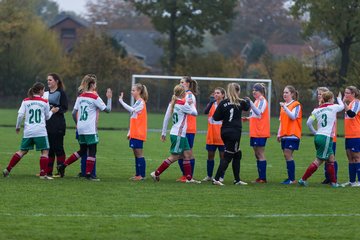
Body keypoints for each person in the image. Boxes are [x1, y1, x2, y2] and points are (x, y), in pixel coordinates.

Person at [57, 74, 112, 181]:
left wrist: (78, 124)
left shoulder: (80, 97)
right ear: (92, 85)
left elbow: (73, 113)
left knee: (82, 150)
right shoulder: (95, 97)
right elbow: (108, 110)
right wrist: (109, 98)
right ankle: (88, 174)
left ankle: (63, 166)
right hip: (90, 128)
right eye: (95, 83)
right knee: (92, 150)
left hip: (81, 127)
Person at [3, 82, 58, 179]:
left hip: (28, 131)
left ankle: (7, 169)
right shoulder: (44, 102)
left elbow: (20, 115)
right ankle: (43, 174)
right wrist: (52, 111)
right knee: (45, 151)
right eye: (43, 90)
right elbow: (47, 117)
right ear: (40, 90)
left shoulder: (25, 101)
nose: (44, 92)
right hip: (40, 131)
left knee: (22, 151)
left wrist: (18, 127)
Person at [150, 84, 200, 183]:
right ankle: (156, 173)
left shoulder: (172, 102)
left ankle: (189, 178)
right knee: (175, 156)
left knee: (187, 154)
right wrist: (191, 104)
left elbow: (166, 118)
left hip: (177, 133)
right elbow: (195, 113)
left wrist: (163, 132)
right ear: (183, 93)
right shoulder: (183, 104)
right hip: (178, 134)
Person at [298, 91, 344, 188]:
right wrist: (340, 98)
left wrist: (315, 132)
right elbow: (342, 106)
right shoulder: (333, 107)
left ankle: (334, 182)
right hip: (326, 137)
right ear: (331, 99)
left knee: (331, 159)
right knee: (319, 160)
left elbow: (308, 123)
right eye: (333, 99)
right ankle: (303, 179)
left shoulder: (316, 110)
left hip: (319, 136)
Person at [212, 83, 250, 186]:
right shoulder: (240, 102)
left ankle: (237, 180)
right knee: (228, 155)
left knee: (237, 154)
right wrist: (247, 100)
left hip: (224, 131)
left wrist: (225, 116)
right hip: (235, 132)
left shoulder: (223, 103)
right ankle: (216, 179)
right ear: (238, 91)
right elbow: (247, 107)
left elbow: (215, 117)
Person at [119, 83, 148, 181]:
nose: (132, 92)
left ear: (139, 91)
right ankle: (137, 174)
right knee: (136, 153)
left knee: (139, 153)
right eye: (131, 90)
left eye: (133, 90)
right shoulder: (137, 102)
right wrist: (129, 132)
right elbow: (133, 117)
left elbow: (132, 110)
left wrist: (121, 101)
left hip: (139, 132)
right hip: (134, 132)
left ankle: (142, 175)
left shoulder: (141, 102)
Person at [243, 83, 270, 183]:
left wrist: (250, 102)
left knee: (260, 153)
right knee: (256, 154)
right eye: (253, 90)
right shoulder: (257, 101)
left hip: (260, 131)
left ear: (261, 92)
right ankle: (260, 177)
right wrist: (248, 118)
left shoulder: (262, 100)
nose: (254, 92)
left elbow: (259, 112)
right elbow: (256, 116)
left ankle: (263, 178)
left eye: (256, 90)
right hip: (255, 131)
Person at [44, 73, 68, 177]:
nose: (48, 82)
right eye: (47, 80)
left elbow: (65, 107)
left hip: (58, 124)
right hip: (47, 124)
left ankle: (60, 171)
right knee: (49, 149)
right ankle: (48, 171)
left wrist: (57, 109)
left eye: (50, 80)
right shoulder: (45, 93)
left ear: (56, 81)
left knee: (58, 148)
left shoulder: (61, 93)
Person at [277, 85, 302, 185]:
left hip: (293, 134)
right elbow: (281, 121)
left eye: (287, 92)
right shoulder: (284, 106)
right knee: (286, 155)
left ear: (292, 94)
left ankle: (292, 179)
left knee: (288, 154)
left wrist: (284, 107)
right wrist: (279, 134)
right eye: (284, 92)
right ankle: (290, 178)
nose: (284, 94)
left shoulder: (296, 104)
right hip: (285, 135)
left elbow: (293, 116)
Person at [176, 76, 199, 182]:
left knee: (188, 153)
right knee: (181, 153)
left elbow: (193, 112)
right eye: (180, 82)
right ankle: (185, 175)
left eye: (183, 82)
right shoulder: (181, 95)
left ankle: (189, 176)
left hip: (189, 128)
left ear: (188, 84)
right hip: (181, 128)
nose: (181, 84)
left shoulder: (190, 96)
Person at [202, 87, 226, 182]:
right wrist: (211, 102)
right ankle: (209, 176)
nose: (216, 94)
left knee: (222, 157)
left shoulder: (225, 104)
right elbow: (205, 112)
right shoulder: (211, 104)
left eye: (218, 93)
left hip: (222, 135)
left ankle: (221, 176)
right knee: (210, 156)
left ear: (223, 95)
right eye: (215, 93)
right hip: (211, 135)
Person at [316, 87, 338, 184]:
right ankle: (328, 177)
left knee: (331, 158)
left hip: (329, 137)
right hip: (323, 135)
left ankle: (333, 178)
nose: (319, 96)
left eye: (320, 94)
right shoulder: (320, 107)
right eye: (318, 94)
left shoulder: (331, 107)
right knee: (326, 158)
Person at [342, 86, 360, 187]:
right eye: (345, 92)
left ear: (353, 94)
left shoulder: (357, 103)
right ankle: (352, 181)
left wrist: (343, 103)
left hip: (356, 134)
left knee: (356, 157)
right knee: (350, 157)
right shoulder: (350, 104)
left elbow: (352, 114)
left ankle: (359, 181)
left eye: (347, 93)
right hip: (348, 135)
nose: (345, 95)